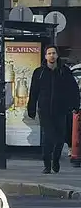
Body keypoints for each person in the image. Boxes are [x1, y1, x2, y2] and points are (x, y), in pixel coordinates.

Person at [27, 44, 81, 174]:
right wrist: (31, 108)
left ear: (57, 55)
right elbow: (33, 91)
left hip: (61, 110)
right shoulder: (39, 72)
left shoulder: (64, 71)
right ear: (45, 56)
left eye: (53, 53)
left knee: (60, 138)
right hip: (45, 110)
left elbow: (73, 89)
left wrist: (75, 105)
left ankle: (55, 159)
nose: (51, 56)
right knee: (48, 137)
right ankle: (46, 164)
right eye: (49, 53)